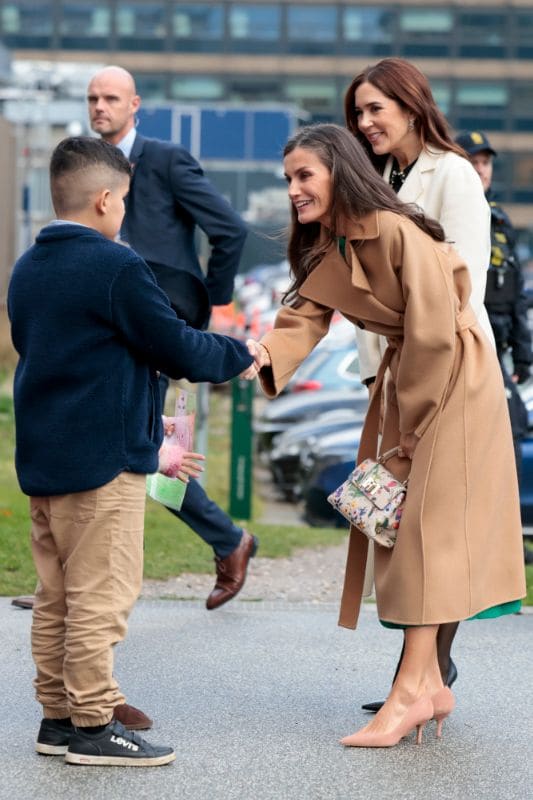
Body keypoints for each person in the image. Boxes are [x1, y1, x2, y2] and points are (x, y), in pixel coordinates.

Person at [243, 123, 526, 747]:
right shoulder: (334, 243)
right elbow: (303, 316)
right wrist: (258, 356)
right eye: (288, 178)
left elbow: (433, 337)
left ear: (340, 173)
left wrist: (410, 442)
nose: (293, 189)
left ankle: (410, 693)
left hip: (454, 382)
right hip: (415, 385)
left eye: (303, 176)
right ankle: (425, 687)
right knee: (407, 538)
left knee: (424, 539)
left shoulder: (397, 232)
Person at [7, 137, 254, 766]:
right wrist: (244, 351)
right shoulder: (115, 266)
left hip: (45, 460)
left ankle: (57, 717)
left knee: (57, 596)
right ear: (106, 198)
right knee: (100, 597)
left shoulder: (27, 268)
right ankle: (93, 725)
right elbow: (175, 345)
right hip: (104, 463)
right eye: (126, 200)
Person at [342, 57, 494, 712]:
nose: (364, 121)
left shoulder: (452, 174)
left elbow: (463, 288)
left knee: (436, 531)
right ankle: (425, 673)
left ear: (411, 105)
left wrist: (416, 370)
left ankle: (426, 675)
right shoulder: (375, 181)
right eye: (357, 111)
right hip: (393, 377)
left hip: (450, 375)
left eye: (375, 108)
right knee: (400, 526)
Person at [86, 65, 258, 613]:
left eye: (110, 98)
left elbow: (228, 228)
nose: (99, 107)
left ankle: (226, 539)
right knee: (122, 437)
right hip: (104, 319)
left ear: (135, 104)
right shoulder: (86, 167)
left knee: (137, 443)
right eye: (92, 98)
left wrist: (207, 306)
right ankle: (227, 539)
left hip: (156, 318)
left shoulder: (164, 159)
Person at [455, 130, 531, 480]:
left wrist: (523, 354)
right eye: (473, 161)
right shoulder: (449, 215)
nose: (481, 169)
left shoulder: (499, 219)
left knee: (512, 424)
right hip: (465, 343)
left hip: (497, 345)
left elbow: (515, 291)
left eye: (485, 162)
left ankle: (505, 525)